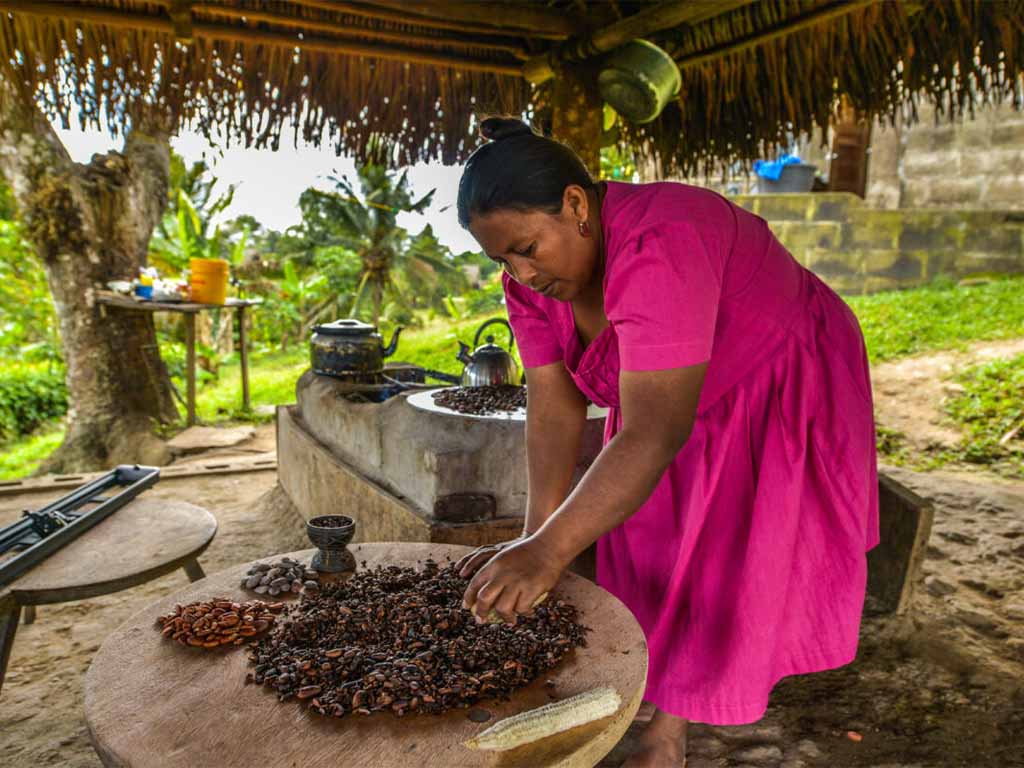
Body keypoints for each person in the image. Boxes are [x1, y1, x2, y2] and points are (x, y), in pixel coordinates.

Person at [454, 117, 879, 767]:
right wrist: (537, 539)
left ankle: (669, 731)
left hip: (774, 369)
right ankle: (663, 703)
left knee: (725, 546)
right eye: (502, 260)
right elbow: (553, 407)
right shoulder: (530, 286)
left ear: (576, 206)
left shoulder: (663, 238)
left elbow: (655, 430)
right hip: (668, 398)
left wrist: (551, 552)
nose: (520, 272)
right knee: (650, 537)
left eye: (527, 248)